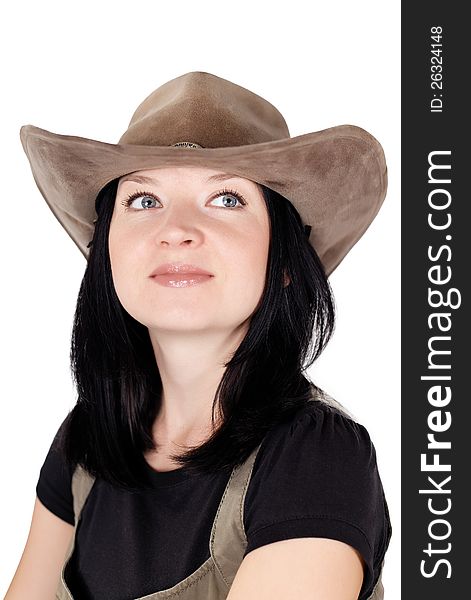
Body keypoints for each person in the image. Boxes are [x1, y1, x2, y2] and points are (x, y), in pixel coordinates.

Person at [8, 71, 391, 600]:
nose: (177, 229)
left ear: (284, 261)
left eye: (226, 199)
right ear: (106, 252)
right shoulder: (88, 438)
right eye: (144, 200)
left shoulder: (315, 457)